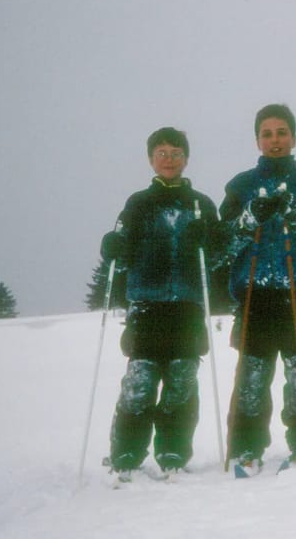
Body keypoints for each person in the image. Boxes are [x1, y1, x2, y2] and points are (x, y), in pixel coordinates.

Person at [221, 103, 296, 475]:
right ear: (257, 139)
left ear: (294, 137)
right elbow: (222, 245)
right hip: (255, 293)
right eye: (267, 134)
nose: (275, 140)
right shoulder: (239, 186)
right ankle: (246, 445)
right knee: (252, 376)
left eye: (281, 133)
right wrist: (250, 216)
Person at [100, 126, 218, 477]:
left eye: (176, 153)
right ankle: (126, 454)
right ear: (151, 159)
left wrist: (209, 238)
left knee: (181, 382)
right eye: (162, 153)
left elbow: (218, 254)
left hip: (187, 305)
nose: (169, 160)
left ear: (186, 158)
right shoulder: (139, 203)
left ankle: (173, 453)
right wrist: (112, 248)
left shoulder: (201, 204)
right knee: (140, 382)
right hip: (148, 305)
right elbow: (121, 249)